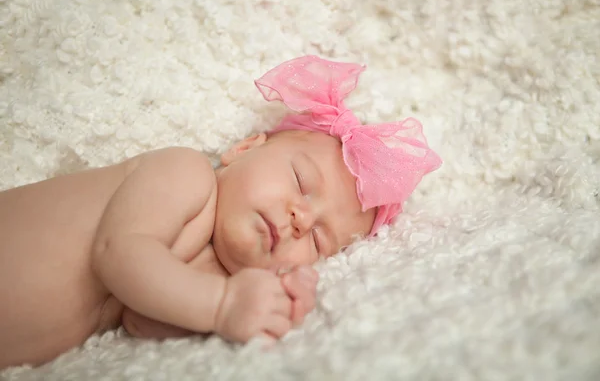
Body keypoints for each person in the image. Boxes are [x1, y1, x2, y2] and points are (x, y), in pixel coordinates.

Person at [0, 55, 442, 369]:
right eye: (302, 184)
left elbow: (141, 317)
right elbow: (120, 252)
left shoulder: (197, 275)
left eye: (317, 240)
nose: (300, 220)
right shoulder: (183, 173)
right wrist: (220, 305)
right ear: (243, 149)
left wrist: (268, 302)